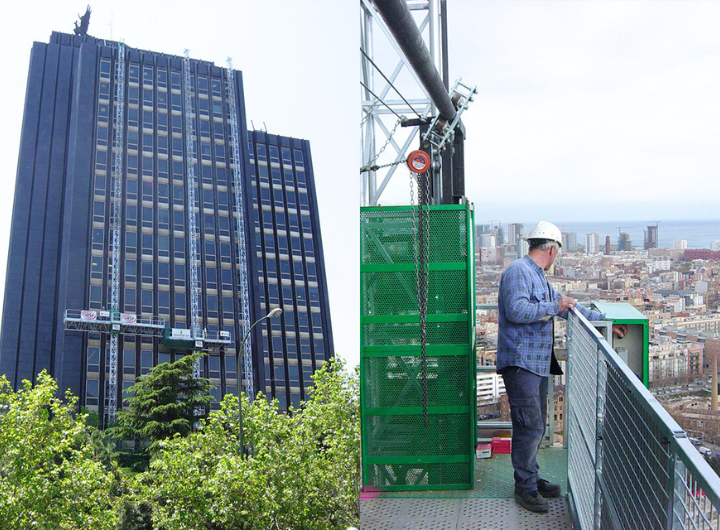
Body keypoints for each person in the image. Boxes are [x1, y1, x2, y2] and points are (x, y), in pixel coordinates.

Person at [496, 220, 605, 513]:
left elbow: (565, 305)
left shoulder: (537, 276)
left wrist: (605, 320)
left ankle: (530, 477)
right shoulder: (519, 272)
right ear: (553, 249)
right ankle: (525, 487)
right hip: (521, 363)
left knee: (534, 424)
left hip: (534, 362)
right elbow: (517, 310)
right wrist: (552, 308)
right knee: (530, 425)